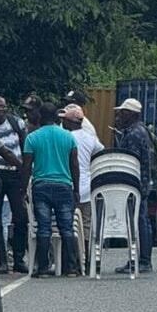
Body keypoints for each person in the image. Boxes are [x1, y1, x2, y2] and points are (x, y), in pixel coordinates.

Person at [21, 103, 80, 277]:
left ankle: (44, 269)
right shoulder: (68, 137)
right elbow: (74, 165)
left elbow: (26, 166)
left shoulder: (32, 138)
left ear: (39, 116)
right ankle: (71, 268)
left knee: (44, 228)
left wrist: (23, 189)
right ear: (56, 116)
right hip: (64, 185)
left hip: (41, 186)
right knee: (67, 228)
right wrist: (76, 188)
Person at [0, 96, 28, 274]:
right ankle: (1, 261)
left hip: (15, 173)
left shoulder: (16, 123)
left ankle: (19, 259)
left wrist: (24, 169)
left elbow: (25, 147)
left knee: (21, 217)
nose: (0, 110)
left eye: (3, 106)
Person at [58, 104, 102, 265]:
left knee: (69, 223)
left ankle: (72, 260)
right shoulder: (90, 138)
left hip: (70, 186)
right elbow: (100, 152)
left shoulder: (66, 137)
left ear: (70, 122)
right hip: (88, 187)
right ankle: (89, 258)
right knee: (87, 224)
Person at [114, 98, 152, 273]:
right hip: (140, 183)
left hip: (134, 184)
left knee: (138, 222)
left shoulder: (134, 134)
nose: (119, 115)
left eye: (122, 112)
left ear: (131, 114)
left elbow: (130, 161)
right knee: (140, 221)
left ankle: (142, 261)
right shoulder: (138, 131)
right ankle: (140, 260)